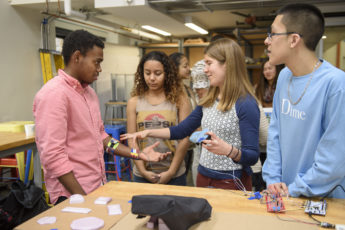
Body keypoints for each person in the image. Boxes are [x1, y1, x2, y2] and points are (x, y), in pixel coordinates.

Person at [33, 30, 169, 205]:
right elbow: (53, 156)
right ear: (77, 57)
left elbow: (103, 139)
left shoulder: (89, 94)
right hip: (71, 196)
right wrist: (82, 199)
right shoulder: (54, 94)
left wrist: (138, 154)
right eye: (96, 62)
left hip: (96, 187)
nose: (99, 69)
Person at [122, 38, 260, 191]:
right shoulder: (209, 100)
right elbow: (182, 130)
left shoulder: (245, 103)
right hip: (203, 176)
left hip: (231, 180)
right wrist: (148, 132)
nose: (205, 70)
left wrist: (228, 150)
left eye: (209, 63)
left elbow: (252, 156)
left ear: (227, 64)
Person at [262, 3, 345, 198]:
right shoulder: (283, 77)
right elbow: (275, 134)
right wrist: (273, 181)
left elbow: (334, 161)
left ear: (293, 40)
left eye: (272, 34)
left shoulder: (336, 84)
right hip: (283, 195)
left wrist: (294, 190)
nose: (267, 41)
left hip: (322, 200)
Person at [127, 51, 191, 185]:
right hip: (142, 175)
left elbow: (185, 139)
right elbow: (131, 141)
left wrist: (171, 172)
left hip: (174, 175)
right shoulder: (134, 102)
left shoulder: (180, 101)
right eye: (147, 73)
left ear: (167, 74)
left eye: (158, 73)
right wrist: (142, 170)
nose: (151, 78)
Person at [169, 52, 197, 183]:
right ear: (175, 68)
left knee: (185, 178)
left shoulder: (187, 89)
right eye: (185, 66)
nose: (188, 69)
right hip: (176, 144)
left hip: (190, 144)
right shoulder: (170, 92)